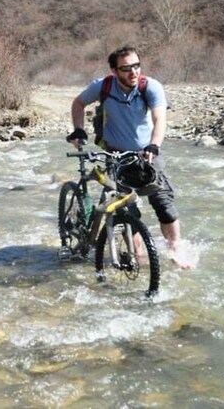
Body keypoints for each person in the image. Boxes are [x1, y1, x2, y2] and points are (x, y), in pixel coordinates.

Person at [66, 45, 196, 269]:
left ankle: (176, 249)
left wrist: (154, 145)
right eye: (126, 68)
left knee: (163, 202)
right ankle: (139, 256)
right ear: (114, 71)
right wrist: (78, 129)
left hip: (147, 152)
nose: (133, 72)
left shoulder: (151, 87)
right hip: (114, 153)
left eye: (136, 66)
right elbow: (78, 103)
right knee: (127, 209)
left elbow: (159, 119)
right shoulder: (103, 86)